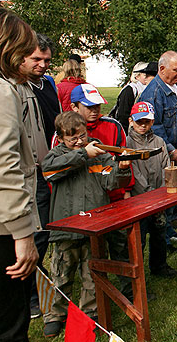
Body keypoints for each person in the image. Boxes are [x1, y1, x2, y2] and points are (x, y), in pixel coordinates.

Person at [41, 112, 129, 337]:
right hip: (66, 229)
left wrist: (123, 168)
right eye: (73, 139)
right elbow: (49, 173)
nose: (79, 141)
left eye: (82, 136)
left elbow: (111, 182)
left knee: (92, 275)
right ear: (61, 139)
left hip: (94, 228)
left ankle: (90, 314)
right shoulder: (56, 156)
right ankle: (56, 314)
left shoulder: (98, 154)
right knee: (62, 273)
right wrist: (82, 154)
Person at [0, 9, 39, 342]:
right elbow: (5, 167)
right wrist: (23, 234)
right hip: (5, 231)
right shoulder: (1, 92)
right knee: (11, 325)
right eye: (24, 49)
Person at [17, 33, 60, 319]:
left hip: (49, 166)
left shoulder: (48, 85)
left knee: (47, 231)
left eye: (46, 60)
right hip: (26, 173)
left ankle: (44, 287)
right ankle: (32, 296)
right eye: (36, 59)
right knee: (35, 233)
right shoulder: (14, 88)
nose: (43, 65)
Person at [139, 51, 177, 233]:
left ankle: (175, 219)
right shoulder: (153, 93)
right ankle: (166, 231)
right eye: (176, 70)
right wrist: (170, 149)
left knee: (176, 185)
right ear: (162, 69)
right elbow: (155, 127)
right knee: (166, 188)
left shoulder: (176, 86)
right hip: (165, 150)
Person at [127, 102, 176, 281]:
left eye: (147, 121)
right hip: (138, 199)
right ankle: (137, 274)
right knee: (138, 239)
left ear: (152, 121)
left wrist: (163, 190)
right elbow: (132, 171)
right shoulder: (127, 142)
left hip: (159, 196)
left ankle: (159, 265)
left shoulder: (159, 141)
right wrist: (148, 193)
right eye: (139, 121)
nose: (142, 125)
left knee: (159, 232)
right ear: (131, 121)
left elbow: (165, 165)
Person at [114, 61, 158, 131]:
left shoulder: (148, 89)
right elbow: (123, 115)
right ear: (137, 76)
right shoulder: (130, 90)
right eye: (145, 75)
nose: (147, 77)